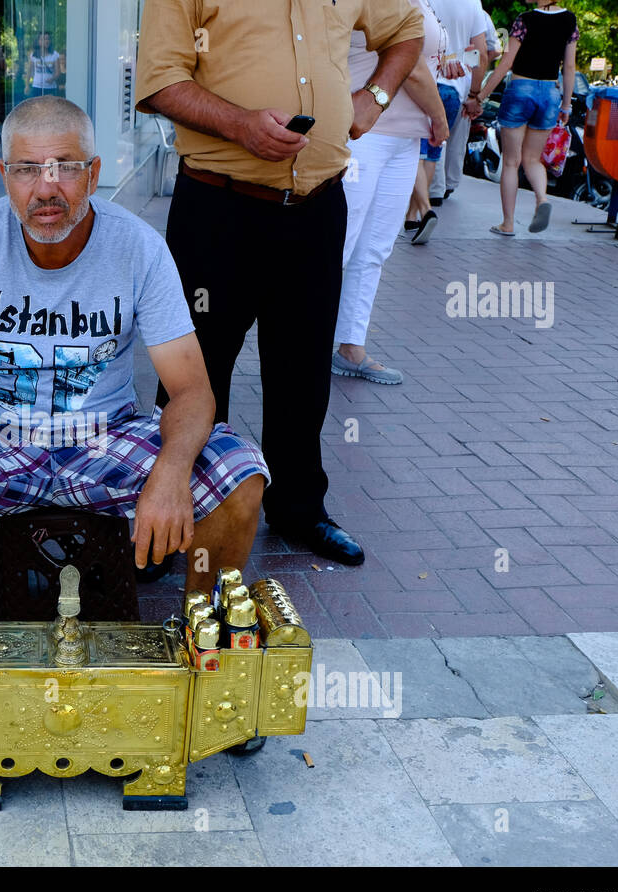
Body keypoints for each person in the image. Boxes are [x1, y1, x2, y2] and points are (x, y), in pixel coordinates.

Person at [0, 95, 268, 600]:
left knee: (239, 475)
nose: (47, 187)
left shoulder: (138, 248)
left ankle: (205, 643)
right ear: (5, 175)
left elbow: (192, 389)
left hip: (106, 436)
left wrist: (173, 470)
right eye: (27, 169)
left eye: (66, 167)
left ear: (93, 173)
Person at [135, 0, 425, 566]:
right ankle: (173, 513)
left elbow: (409, 30)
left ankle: (297, 509)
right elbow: (161, 81)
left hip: (317, 208)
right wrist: (240, 124)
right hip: (218, 209)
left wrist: (376, 99)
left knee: (304, 368)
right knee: (194, 370)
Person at [334, 0, 452, 386]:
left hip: (403, 136)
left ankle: (350, 347)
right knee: (340, 244)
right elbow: (412, 66)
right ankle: (304, 344)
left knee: (374, 249)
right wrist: (438, 115)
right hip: (366, 132)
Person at [476, 0, 578, 235]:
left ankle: (508, 223)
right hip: (551, 94)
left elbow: (507, 63)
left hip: (521, 89)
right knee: (533, 159)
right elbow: (569, 67)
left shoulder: (525, 20)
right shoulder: (570, 21)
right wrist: (566, 105)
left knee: (511, 161)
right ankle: (542, 199)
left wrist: (480, 96)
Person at [404, 0, 487, 243]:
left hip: (420, 80)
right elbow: (481, 53)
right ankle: (413, 215)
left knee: (413, 150)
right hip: (454, 89)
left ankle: (425, 208)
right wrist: (473, 93)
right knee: (432, 151)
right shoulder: (473, 3)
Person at [432, 4, 498, 205]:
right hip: (461, 83)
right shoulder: (476, 8)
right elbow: (490, 51)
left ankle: (434, 188)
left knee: (432, 138)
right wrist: (474, 92)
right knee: (456, 137)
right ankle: (450, 182)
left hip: (430, 78)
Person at [24, 31, 61, 98]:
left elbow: (58, 72)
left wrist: (52, 79)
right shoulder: (33, 55)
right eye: (44, 39)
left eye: (48, 39)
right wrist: (27, 85)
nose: (47, 41)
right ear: (39, 41)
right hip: (37, 87)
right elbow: (29, 71)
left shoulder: (54, 55)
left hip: (50, 88)